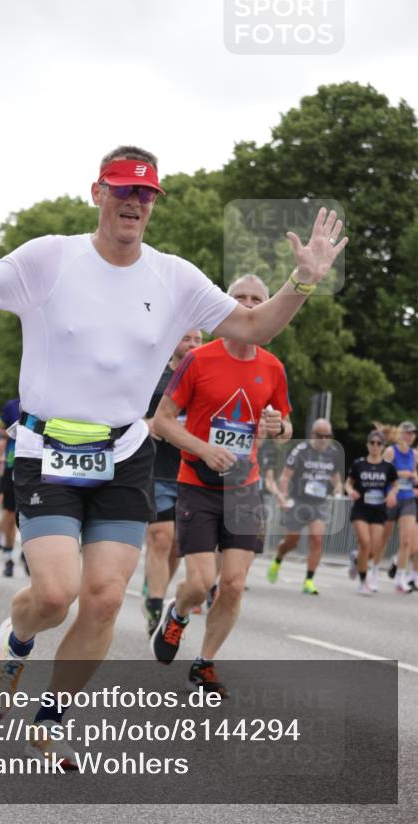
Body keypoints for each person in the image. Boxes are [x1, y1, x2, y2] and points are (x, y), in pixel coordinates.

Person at [0, 152, 346, 767]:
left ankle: (50, 720)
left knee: (105, 599)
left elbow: (254, 326)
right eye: (123, 191)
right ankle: (18, 637)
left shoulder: (175, 277)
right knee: (55, 595)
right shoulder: (49, 257)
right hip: (47, 448)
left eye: (148, 194)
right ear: (97, 193)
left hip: (124, 453)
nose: (135, 203)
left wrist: (303, 281)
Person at [149, 274, 292, 694]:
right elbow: (161, 421)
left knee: (232, 584)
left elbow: (283, 425)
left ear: (268, 307)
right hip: (197, 481)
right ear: (224, 305)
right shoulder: (199, 360)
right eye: (239, 298)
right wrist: (203, 448)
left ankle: (205, 663)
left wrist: (278, 424)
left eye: (257, 299)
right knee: (199, 583)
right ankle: (176, 614)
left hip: (244, 488)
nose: (248, 305)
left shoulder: (273, 368)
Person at [141, 329, 202, 635]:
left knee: (177, 546)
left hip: (192, 474)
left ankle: (155, 585)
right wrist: (147, 424)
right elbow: (124, 415)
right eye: (186, 338)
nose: (192, 344)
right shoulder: (153, 376)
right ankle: (154, 606)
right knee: (161, 537)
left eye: (198, 340)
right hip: (156, 469)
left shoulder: (204, 380)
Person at [267, 418, 344, 595]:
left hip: (318, 503)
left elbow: (335, 476)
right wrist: (283, 497)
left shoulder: (332, 453)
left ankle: (309, 581)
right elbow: (285, 477)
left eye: (327, 436)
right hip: (298, 501)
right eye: (320, 435)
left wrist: (338, 485)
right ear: (312, 434)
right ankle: (278, 558)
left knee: (317, 540)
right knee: (291, 541)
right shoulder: (300, 451)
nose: (323, 439)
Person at [345, 431, 398, 595]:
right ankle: (363, 582)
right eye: (372, 443)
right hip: (361, 509)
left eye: (378, 443)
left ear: (383, 447)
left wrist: (391, 494)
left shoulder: (388, 467)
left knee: (374, 551)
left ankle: (356, 559)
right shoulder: (359, 464)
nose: (375, 446)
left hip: (378, 511)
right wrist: (350, 491)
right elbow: (349, 483)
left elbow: (396, 484)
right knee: (365, 543)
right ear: (368, 444)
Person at [381, 421, 418, 593]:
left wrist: (415, 479)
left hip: (408, 500)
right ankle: (364, 564)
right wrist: (400, 474)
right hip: (391, 499)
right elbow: (380, 473)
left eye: (413, 433)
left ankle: (401, 578)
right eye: (407, 433)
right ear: (400, 434)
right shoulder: (390, 451)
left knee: (407, 541)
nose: (410, 436)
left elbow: (415, 475)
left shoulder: (415, 454)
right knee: (382, 540)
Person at [0, 396, 22, 577]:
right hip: (13, 463)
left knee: (31, 513)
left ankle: (28, 555)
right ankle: (8, 556)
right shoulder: (12, 404)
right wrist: (16, 432)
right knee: (9, 513)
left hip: (40, 466)